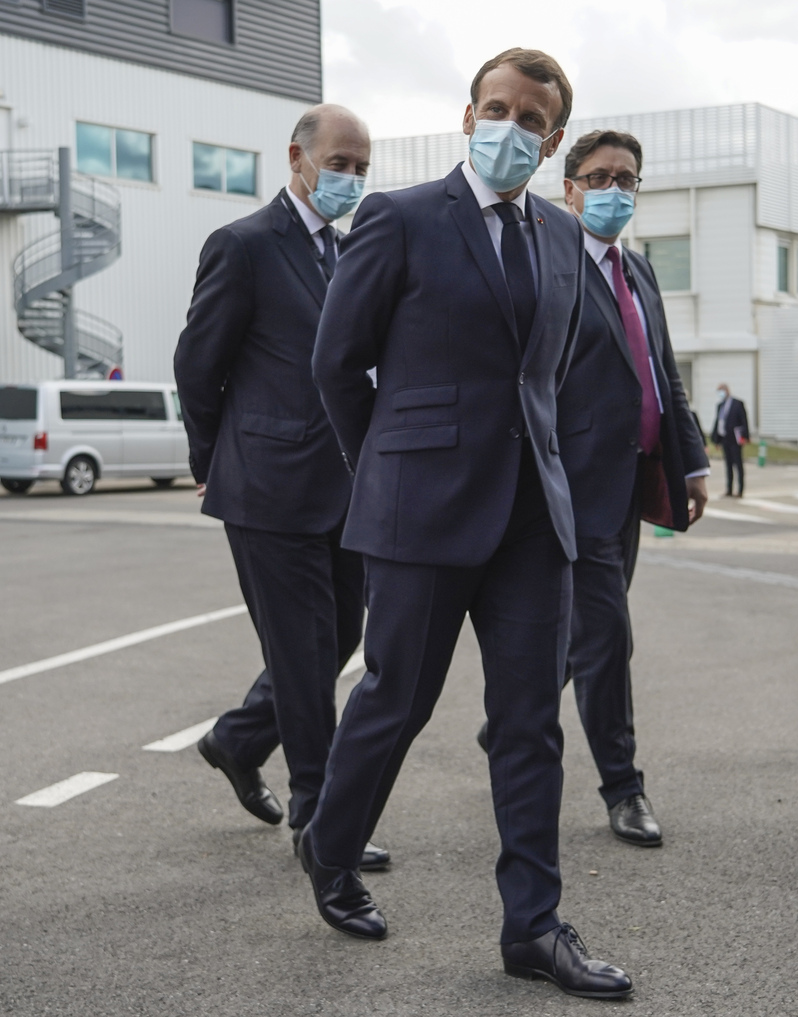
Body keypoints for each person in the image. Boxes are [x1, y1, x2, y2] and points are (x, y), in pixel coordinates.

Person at [304, 49, 632, 1000]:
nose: (510, 128)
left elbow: (556, 374)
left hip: (535, 515)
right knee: (394, 699)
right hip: (418, 509)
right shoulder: (400, 218)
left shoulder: (567, 242)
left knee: (530, 725)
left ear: (554, 138)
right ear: (467, 115)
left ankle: (533, 927)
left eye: (530, 119)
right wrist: (387, 470)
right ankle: (330, 847)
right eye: (497, 109)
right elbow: (337, 364)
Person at [475, 129, 710, 848]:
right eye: (600, 177)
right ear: (569, 188)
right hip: (566, 489)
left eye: (628, 179)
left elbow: (663, 374)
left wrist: (691, 460)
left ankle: (507, 727)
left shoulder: (638, 271)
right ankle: (623, 787)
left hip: (632, 482)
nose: (615, 190)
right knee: (607, 640)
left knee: (583, 639)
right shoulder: (548, 262)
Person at [172, 104, 389, 873]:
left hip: (343, 483)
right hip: (266, 484)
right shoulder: (244, 245)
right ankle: (320, 816)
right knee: (302, 652)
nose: (351, 179)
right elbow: (198, 366)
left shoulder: (352, 248)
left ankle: (236, 739)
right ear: (297, 157)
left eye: (362, 168)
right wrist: (214, 455)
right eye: (340, 164)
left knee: (342, 638)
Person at [709, 384, 748, 496]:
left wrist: (744, 437)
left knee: (738, 464)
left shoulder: (737, 404)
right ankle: (729, 489)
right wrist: (717, 440)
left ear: (727, 391)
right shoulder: (720, 406)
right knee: (728, 465)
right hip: (725, 439)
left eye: (721, 391)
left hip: (735, 439)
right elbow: (718, 423)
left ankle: (740, 490)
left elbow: (744, 421)